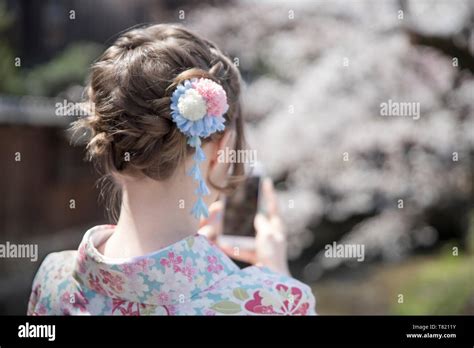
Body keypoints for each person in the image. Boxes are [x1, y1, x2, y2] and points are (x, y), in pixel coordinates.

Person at [27, 24, 316, 315]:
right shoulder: (275, 302)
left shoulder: (54, 280)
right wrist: (278, 274)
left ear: (109, 147)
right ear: (222, 151)